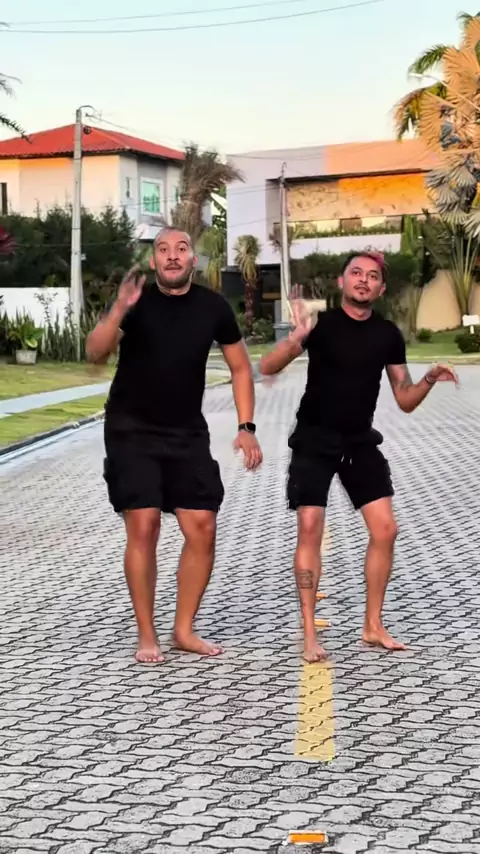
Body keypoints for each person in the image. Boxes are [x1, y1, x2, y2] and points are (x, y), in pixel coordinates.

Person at [260, 251, 457, 662]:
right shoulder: (320, 325)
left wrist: (428, 379)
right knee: (310, 525)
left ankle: (372, 625)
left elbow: (404, 399)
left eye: (372, 276)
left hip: (358, 442)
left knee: (386, 529)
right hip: (314, 439)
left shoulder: (387, 334)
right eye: (356, 273)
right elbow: (267, 366)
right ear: (342, 281)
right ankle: (309, 633)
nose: (364, 280)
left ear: (381, 289)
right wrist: (296, 340)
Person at [86, 227, 262, 664]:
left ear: (192, 260)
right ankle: (147, 634)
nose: (172, 256)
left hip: (186, 431)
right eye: (162, 249)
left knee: (203, 526)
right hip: (131, 429)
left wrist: (246, 426)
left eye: (181, 249)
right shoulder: (135, 302)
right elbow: (94, 353)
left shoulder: (213, 307)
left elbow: (241, 368)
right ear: (153, 261)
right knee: (144, 524)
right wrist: (118, 310)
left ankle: (183, 629)